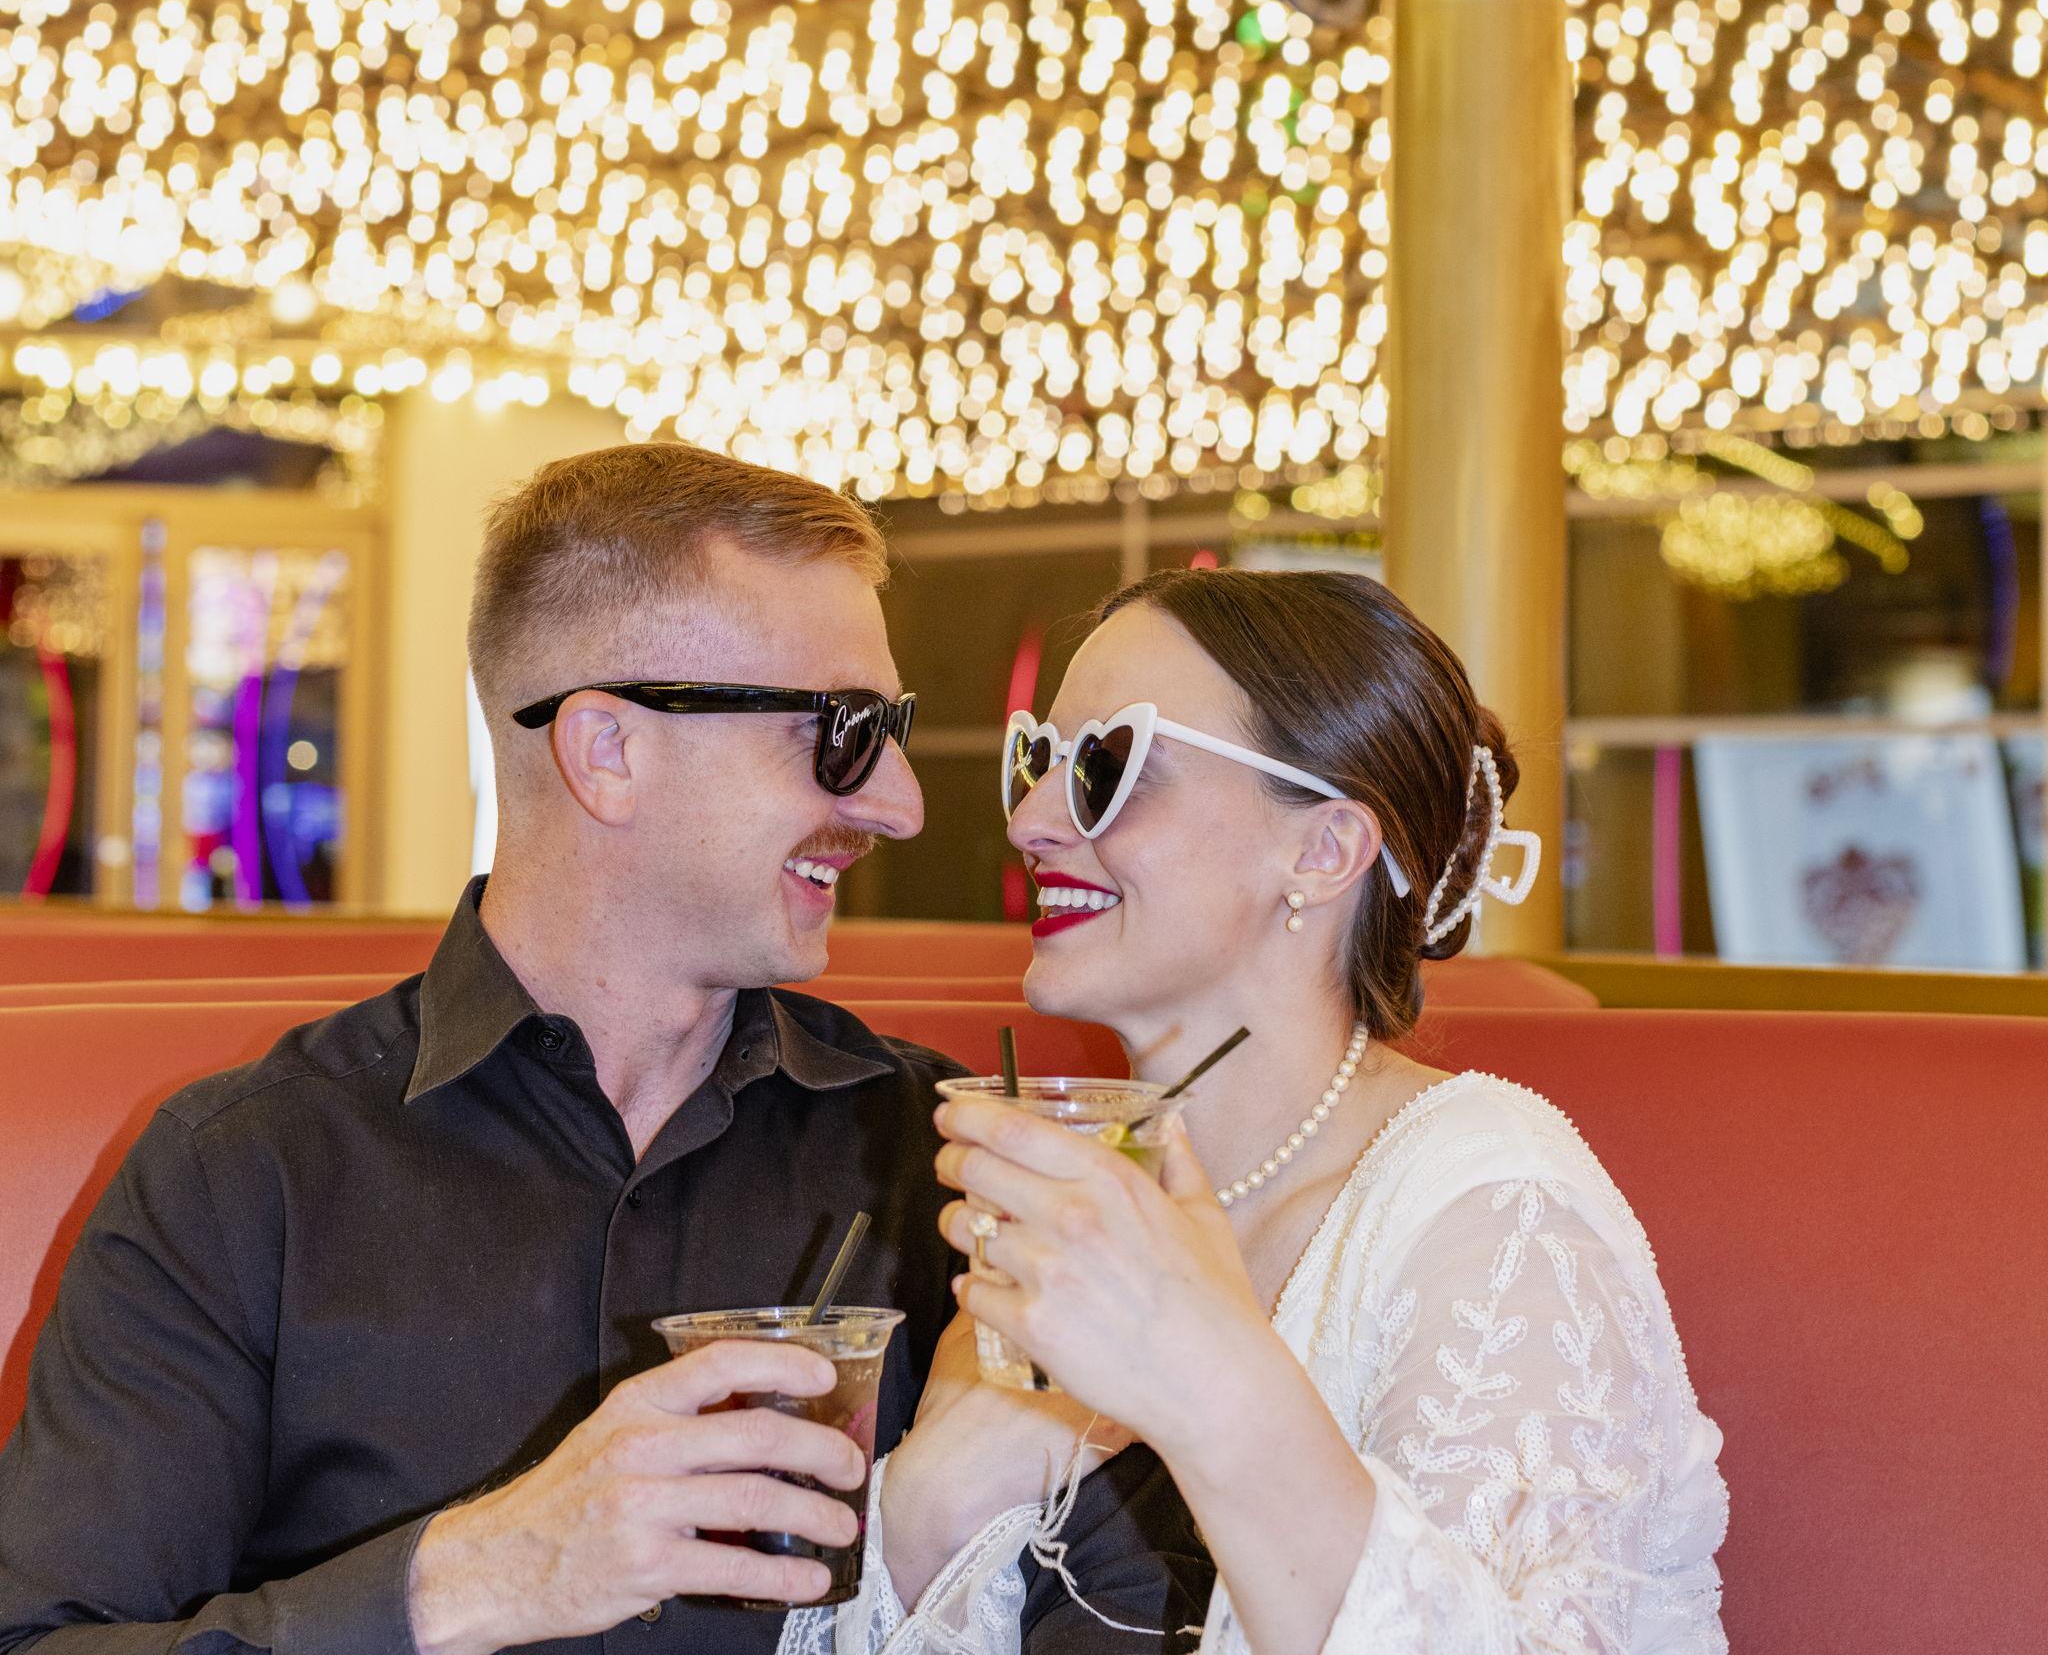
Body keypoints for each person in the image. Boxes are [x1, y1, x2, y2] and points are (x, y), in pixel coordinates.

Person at [0, 446, 1205, 1655]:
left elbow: (1131, 1617)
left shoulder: (952, 1163)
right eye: (842, 731)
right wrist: (469, 1578)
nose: (900, 803)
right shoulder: (244, 1171)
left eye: (889, 730)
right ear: (606, 752)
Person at [814, 567, 1728, 1653]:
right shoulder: (1069, 1207)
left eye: (1107, 766)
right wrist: (933, 1498)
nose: (1031, 819)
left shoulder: (1494, 1211)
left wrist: (1209, 1382)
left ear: (1322, 849)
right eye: (1037, 759)